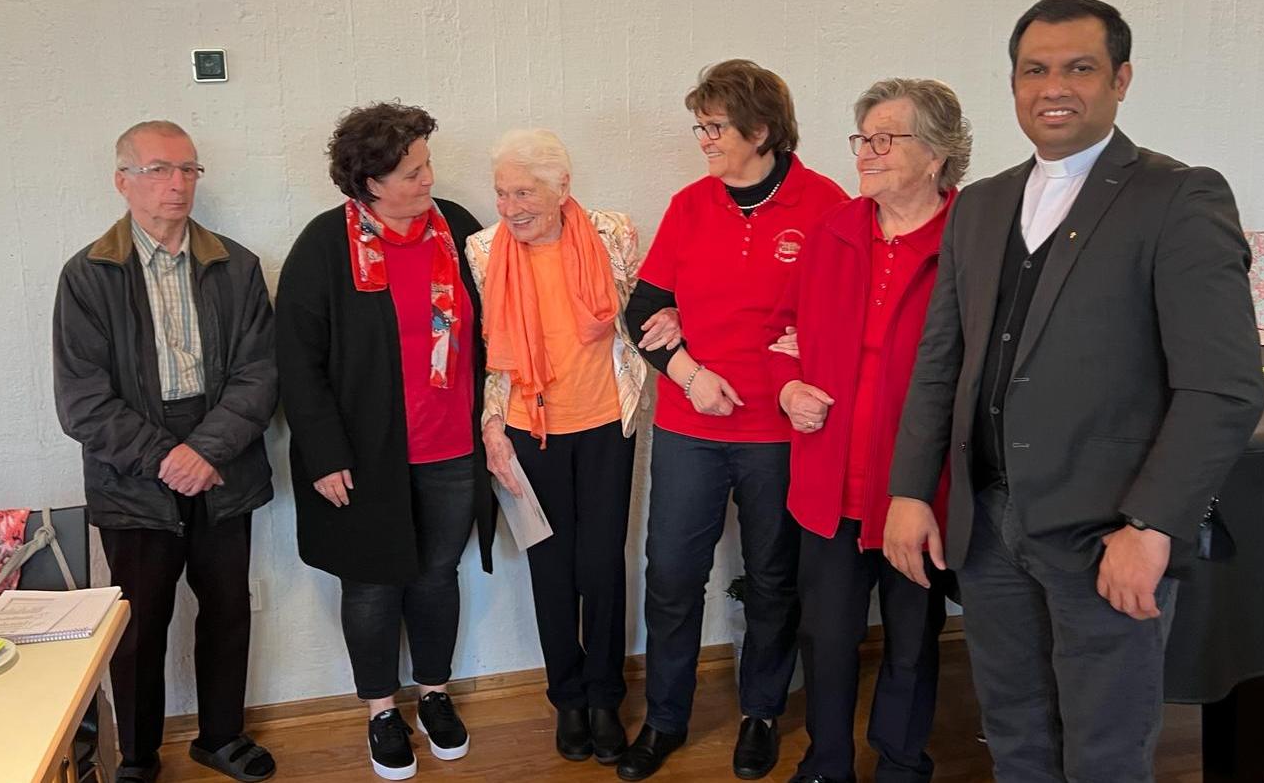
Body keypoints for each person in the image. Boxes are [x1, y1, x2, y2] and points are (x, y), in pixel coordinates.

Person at [884, 0, 1264, 782]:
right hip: (987, 528)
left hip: (1106, 536)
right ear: (1015, 84)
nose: (1053, 86)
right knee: (1015, 734)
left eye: (1079, 67)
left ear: (1121, 79)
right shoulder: (981, 206)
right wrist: (912, 491)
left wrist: (1153, 527)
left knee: (1105, 751)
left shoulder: (1179, 198)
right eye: (1035, 70)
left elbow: (1222, 387)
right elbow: (940, 361)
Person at [619, 59, 850, 781]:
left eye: (714, 128)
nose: (704, 141)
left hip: (781, 437)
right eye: (701, 126)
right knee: (673, 575)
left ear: (761, 129)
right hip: (692, 430)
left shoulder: (826, 206)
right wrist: (689, 372)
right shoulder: (690, 206)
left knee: (774, 579)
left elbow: (846, 312)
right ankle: (665, 718)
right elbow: (640, 309)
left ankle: (761, 712)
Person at [52, 120, 278, 783]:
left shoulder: (235, 266)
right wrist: (166, 457)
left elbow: (260, 372)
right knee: (140, 625)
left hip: (223, 463)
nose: (176, 184)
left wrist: (205, 451)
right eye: (158, 169)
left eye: (188, 170)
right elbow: (83, 401)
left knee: (229, 608)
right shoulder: (88, 275)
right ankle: (139, 756)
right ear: (123, 181)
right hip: (133, 475)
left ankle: (221, 736)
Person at [276, 102, 495, 781]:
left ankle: (433, 693)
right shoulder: (323, 246)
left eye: (426, 164)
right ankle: (379, 708)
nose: (429, 179)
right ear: (369, 181)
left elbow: (497, 329)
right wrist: (324, 453)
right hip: (365, 456)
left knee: (437, 577)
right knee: (371, 586)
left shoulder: (457, 230)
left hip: (451, 447)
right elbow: (296, 359)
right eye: (412, 171)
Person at [766, 79, 969, 783]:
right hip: (829, 480)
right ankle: (826, 761)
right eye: (863, 138)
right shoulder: (833, 230)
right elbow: (784, 334)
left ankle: (903, 762)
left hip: (921, 487)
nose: (868, 152)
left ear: (938, 154)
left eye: (887, 138)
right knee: (825, 636)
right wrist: (786, 388)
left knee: (913, 638)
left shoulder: (972, 241)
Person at [466, 129, 670, 766]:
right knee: (550, 568)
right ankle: (569, 700)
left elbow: (646, 305)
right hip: (530, 429)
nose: (509, 206)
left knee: (603, 564)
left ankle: (607, 696)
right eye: (501, 192)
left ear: (563, 189)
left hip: (608, 421)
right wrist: (493, 426)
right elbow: (489, 349)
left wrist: (680, 320)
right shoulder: (483, 249)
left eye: (523, 192)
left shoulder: (613, 233)